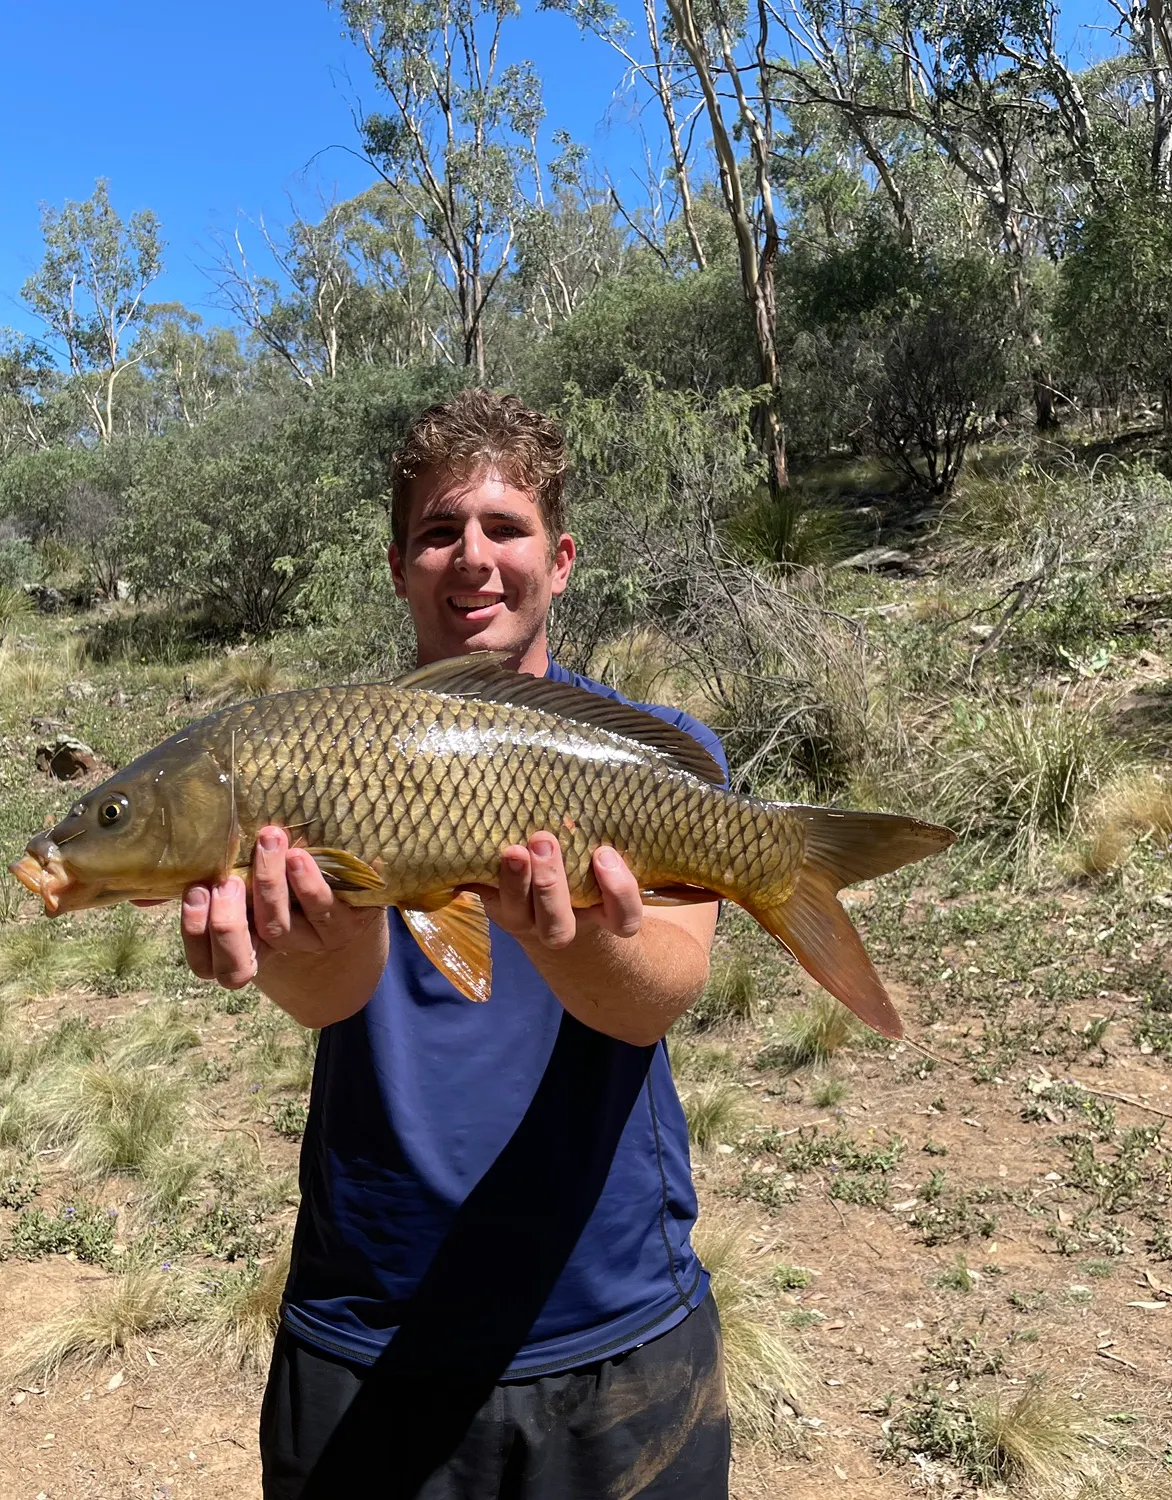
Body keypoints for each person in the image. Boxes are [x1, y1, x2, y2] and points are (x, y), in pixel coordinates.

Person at [171, 390, 729, 1499]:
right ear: (398, 566)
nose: (471, 558)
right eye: (438, 532)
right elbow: (335, 996)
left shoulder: (668, 760)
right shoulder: (320, 754)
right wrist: (301, 941)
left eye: (503, 528)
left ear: (559, 559)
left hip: (611, 1314)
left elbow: (657, 993)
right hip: (371, 1319)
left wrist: (566, 942)